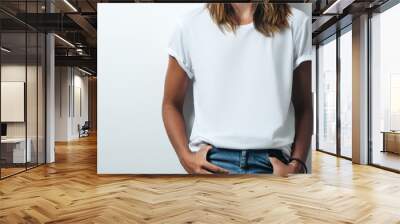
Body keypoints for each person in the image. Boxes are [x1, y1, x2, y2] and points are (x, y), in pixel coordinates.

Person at [162, 2, 313, 176]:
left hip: (273, 166)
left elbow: (304, 106)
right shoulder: (189, 25)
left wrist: (297, 164)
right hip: (212, 163)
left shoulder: (296, 23)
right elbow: (170, 103)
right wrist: (185, 157)